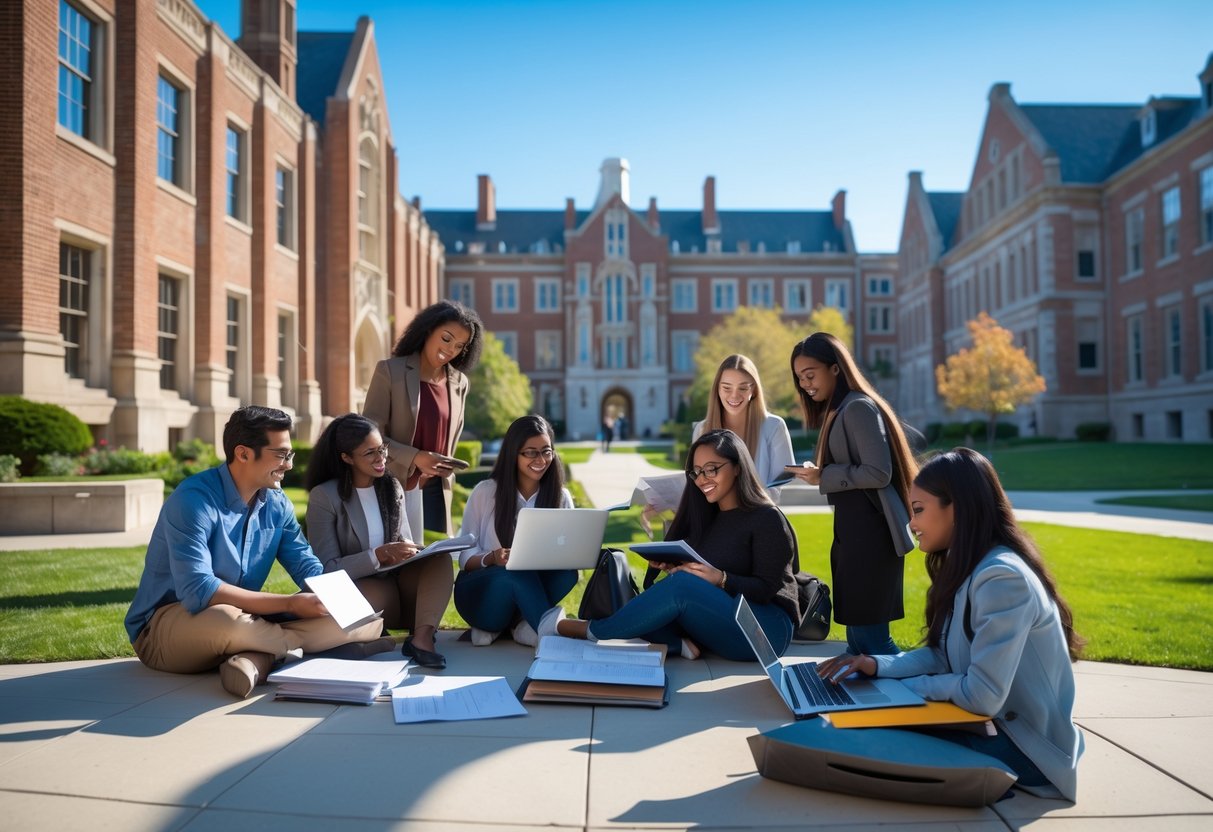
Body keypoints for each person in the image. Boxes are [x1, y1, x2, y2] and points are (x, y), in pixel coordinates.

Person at [817, 448, 1085, 801]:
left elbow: (982, 696)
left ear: (955, 508)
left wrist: (906, 691)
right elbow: (942, 655)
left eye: (918, 510)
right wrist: (876, 666)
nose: (911, 524)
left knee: (847, 735)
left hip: (1027, 752)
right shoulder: (972, 566)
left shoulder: (1002, 576)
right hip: (992, 728)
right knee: (842, 723)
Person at [124, 406, 388, 698]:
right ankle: (281, 650)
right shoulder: (193, 500)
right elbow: (197, 589)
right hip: (165, 628)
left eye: (290, 456)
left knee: (363, 620)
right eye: (281, 455)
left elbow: (307, 566)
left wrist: (341, 603)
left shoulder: (277, 503)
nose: (288, 465)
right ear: (243, 453)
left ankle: (257, 657)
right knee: (226, 620)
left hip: (244, 620)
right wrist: (290, 605)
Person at [538, 429, 801, 660]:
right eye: (697, 472)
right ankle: (677, 645)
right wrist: (672, 565)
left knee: (679, 589)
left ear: (738, 467)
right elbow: (697, 586)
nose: (702, 479)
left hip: (766, 630)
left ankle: (581, 629)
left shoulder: (767, 518)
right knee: (639, 604)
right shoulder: (708, 518)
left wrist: (721, 579)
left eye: (712, 469)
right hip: (727, 621)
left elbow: (768, 589)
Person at [788, 331, 918, 657]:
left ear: (835, 368)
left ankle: (919, 692)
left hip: (871, 537)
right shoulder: (840, 409)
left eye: (810, 374)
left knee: (873, 641)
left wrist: (824, 475)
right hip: (855, 534)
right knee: (859, 643)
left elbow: (879, 471)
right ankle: (882, 701)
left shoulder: (858, 407)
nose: (805, 384)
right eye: (800, 378)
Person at [305, 413, 454, 669]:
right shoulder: (325, 497)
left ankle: (422, 639)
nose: (381, 458)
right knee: (372, 590)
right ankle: (367, 636)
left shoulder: (391, 487)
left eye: (382, 449)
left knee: (440, 559)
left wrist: (414, 550)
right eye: (370, 453)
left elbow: (405, 540)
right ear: (346, 457)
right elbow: (326, 569)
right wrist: (378, 556)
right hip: (363, 595)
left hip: (402, 591)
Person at [363, 299, 483, 538]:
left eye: (460, 346)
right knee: (399, 565)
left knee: (436, 566)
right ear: (429, 329)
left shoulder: (460, 383)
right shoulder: (390, 371)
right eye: (446, 338)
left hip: (438, 491)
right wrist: (416, 458)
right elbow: (369, 437)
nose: (450, 350)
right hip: (394, 484)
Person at [454, 415, 578, 647]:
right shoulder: (485, 492)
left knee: (569, 573)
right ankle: (549, 635)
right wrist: (492, 558)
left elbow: (566, 549)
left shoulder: (560, 496)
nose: (540, 459)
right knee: (513, 571)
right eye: (530, 452)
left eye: (546, 451)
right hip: (482, 595)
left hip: (529, 587)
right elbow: (463, 557)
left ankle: (519, 625)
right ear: (514, 453)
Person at [693, 354, 795, 492]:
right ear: (717, 389)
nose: (734, 395)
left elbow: (782, 481)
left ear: (753, 390)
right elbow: (699, 482)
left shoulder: (774, 427)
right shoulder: (702, 429)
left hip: (760, 512)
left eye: (743, 388)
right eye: (727, 388)